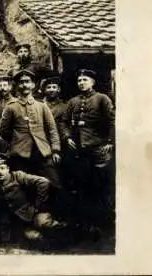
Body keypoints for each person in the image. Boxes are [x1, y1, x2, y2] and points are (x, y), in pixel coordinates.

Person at [0, 154, 64, 243]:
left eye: (2, 168)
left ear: (8, 169)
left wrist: (38, 204)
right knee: (34, 238)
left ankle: (65, 234)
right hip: (15, 222)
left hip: (31, 213)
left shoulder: (18, 176)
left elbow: (43, 182)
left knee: (46, 224)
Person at [60, 69, 115, 234]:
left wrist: (110, 142)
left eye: (85, 80)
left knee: (101, 186)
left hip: (98, 149)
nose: (81, 83)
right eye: (79, 80)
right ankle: (84, 224)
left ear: (93, 82)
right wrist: (67, 137)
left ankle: (104, 223)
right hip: (79, 150)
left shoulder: (102, 99)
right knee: (82, 185)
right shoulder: (73, 101)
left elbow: (112, 121)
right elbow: (63, 122)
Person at [0, 70, 62, 189]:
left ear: (33, 85)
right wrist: (16, 140)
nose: (24, 85)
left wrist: (55, 150)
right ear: (17, 86)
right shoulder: (11, 107)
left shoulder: (42, 106)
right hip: (20, 153)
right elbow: (2, 130)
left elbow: (52, 129)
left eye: (27, 82)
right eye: (21, 82)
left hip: (42, 151)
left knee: (54, 183)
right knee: (23, 186)